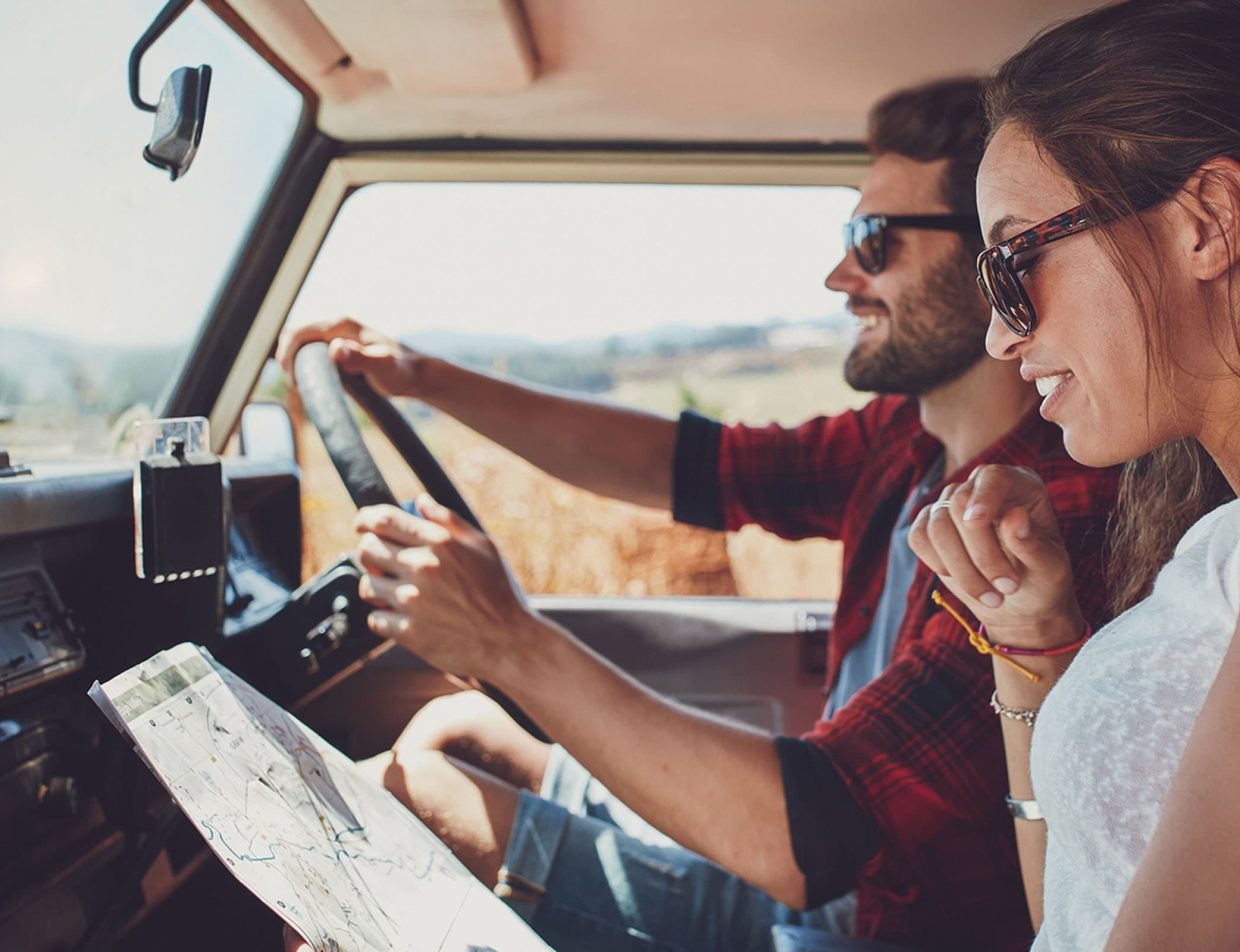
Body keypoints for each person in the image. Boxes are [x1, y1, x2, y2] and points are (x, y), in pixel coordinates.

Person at [279, 78, 1121, 952]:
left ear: (991, 264)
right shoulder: (905, 444)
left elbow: (814, 843)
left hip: (864, 923)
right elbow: (679, 464)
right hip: (822, 884)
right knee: (455, 730)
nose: (840, 275)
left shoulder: (1042, 514)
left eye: (872, 241)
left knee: (413, 793)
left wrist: (507, 638)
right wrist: (422, 378)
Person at [905, 1, 1240, 949]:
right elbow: (1073, 912)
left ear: (1207, 222)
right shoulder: (1209, 544)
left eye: (1015, 262)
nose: (1001, 333)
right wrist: (1036, 637)